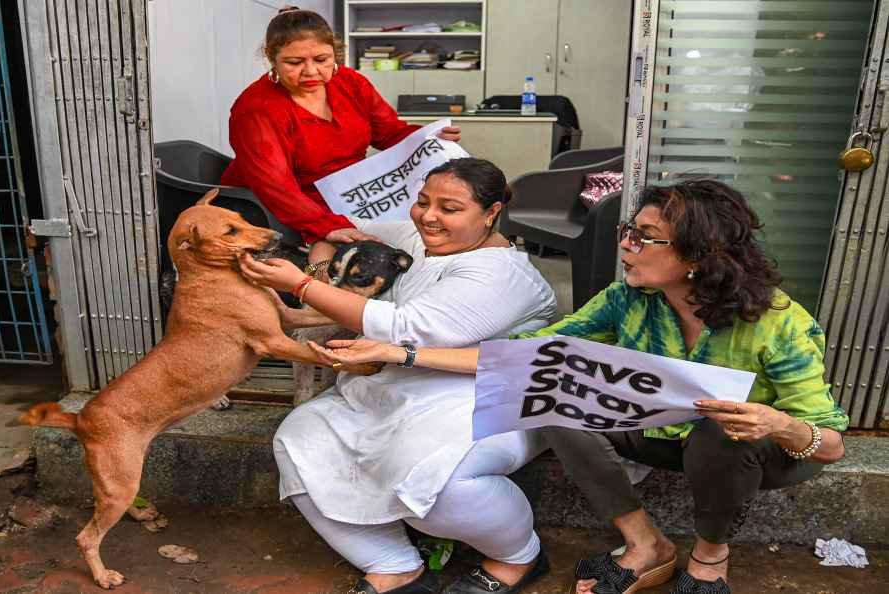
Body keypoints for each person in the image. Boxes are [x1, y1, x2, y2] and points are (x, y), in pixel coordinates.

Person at [310, 179, 849, 594]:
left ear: (697, 256)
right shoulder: (628, 300)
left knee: (722, 431)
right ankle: (645, 544)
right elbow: (530, 353)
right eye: (627, 231)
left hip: (760, 450)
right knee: (555, 388)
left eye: (644, 237)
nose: (627, 245)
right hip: (664, 436)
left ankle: (710, 555)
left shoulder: (779, 323)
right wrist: (399, 349)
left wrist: (775, 421)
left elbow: (830, 444)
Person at [239, 158, 558, 594]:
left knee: (434, 479)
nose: (429, 216)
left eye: (450, 208)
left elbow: (408, 327)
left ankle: (518, 556)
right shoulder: (411, 236)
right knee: (299, 440)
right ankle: (392, 564)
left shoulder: (502, 274)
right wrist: (318, 270)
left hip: (481, 394)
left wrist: (303, 288)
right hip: (390, 385)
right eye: (423, 202)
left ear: (491, 212)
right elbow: (329, 234)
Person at [221, 7, 460, 252]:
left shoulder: (350, 82)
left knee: (442, 226)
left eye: (322, 60)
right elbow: (276, 187)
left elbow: (389, 133)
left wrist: (427, 137)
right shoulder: (256, 109)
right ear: (272, 58)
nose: (311, 71)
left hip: (352, 196)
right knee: (391, 244)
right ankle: (310, 284)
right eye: (294, 62)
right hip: (294, 207)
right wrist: (326, 225)